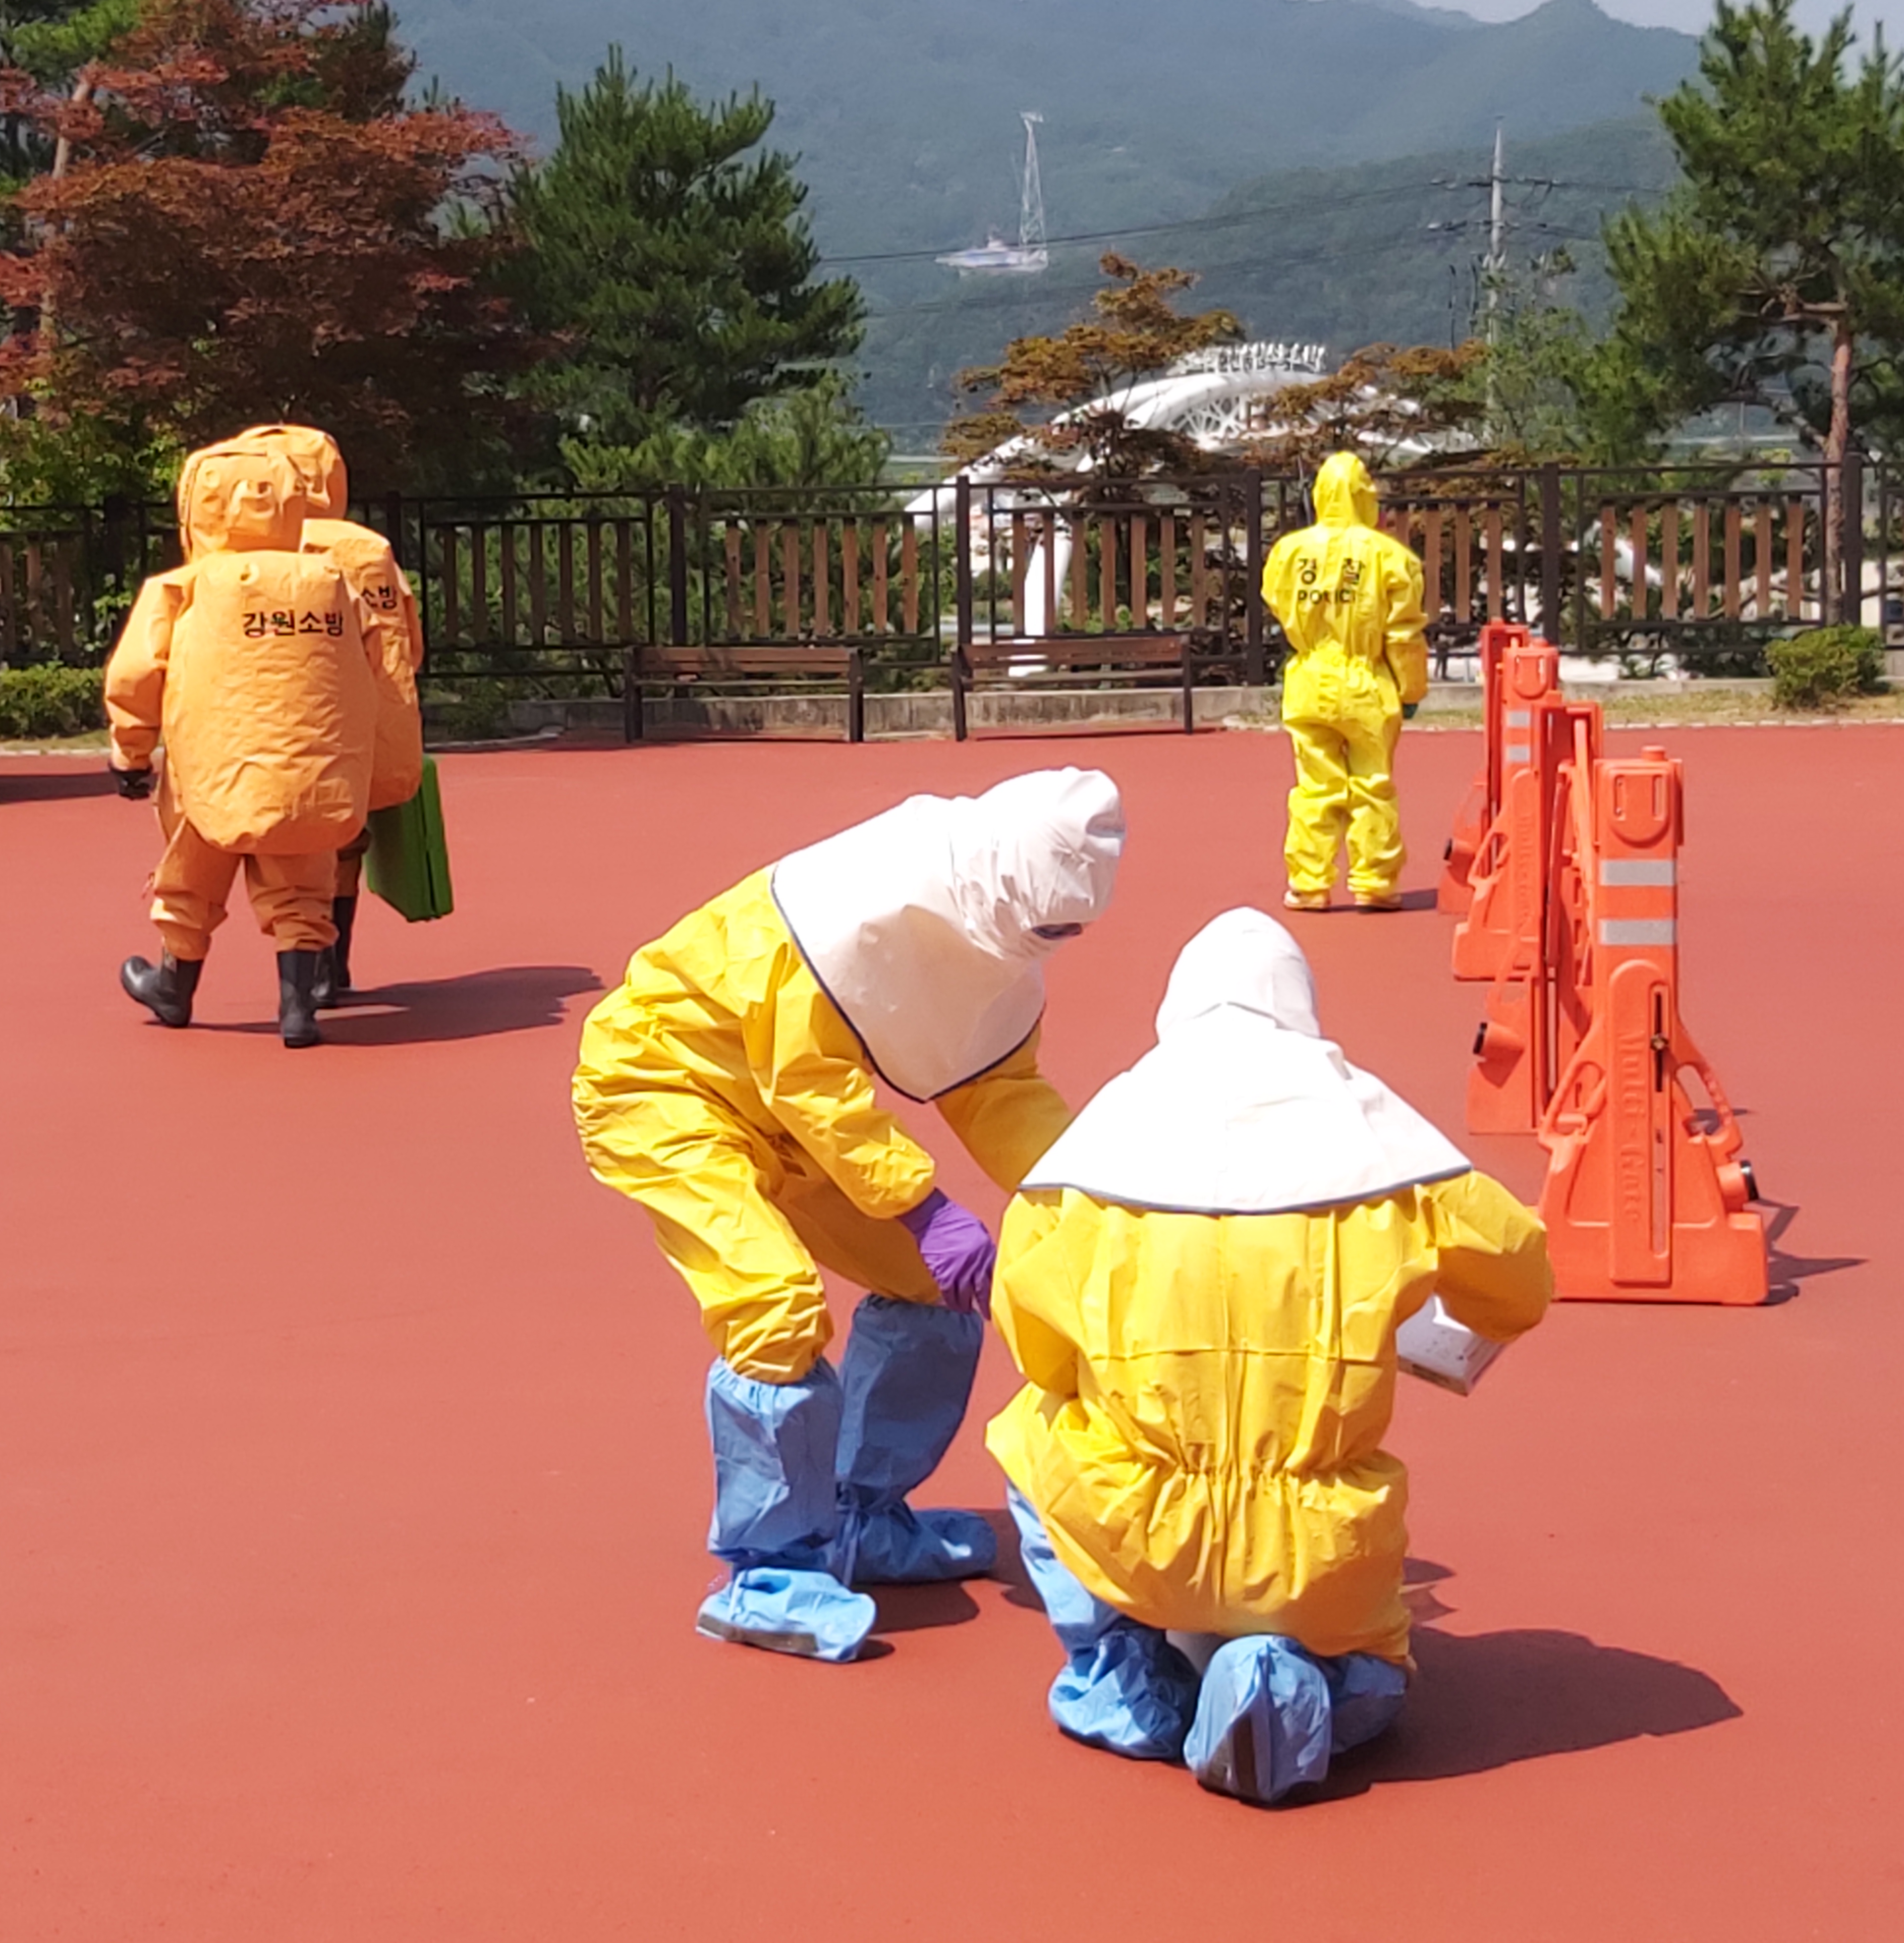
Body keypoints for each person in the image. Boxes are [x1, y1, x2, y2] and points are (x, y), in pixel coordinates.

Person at [988, 908, 1550, 1805]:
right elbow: (1520, 1280)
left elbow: (1038, 1350)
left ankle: (1121, 1678)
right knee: (1368, 1661)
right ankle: (1289, 1681)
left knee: (1028, 1428)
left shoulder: (1094, 1156)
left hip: (1141, 1527)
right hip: (1317, 1546)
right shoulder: (1380, 1145)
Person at [573, 770, 1127, 1663]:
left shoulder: (992, 925)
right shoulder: (853, 905)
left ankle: (856, 1515)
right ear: (1003, 884)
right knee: (774, 1303)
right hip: (668, 1084)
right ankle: (768, 1572)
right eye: (1046, 926)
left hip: (791, 1121)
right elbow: (808, 1079)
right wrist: (922, 1206)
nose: (1051, 944)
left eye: (1069, 933)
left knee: (929, 1291)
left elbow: (999, 1088)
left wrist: (1099, 1193)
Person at [103, 432, 388, 1050]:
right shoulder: (333, 583)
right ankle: (299, 1008)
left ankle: (174, 988)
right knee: (302, 883)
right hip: (309, 769)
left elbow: (136, 674)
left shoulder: (184, 586)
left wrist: (130, 753)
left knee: (191, 877)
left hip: (211, 769)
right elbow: (379, 667)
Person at [208, 424, 428, 1003]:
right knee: (348, 839)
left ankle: (306, 975)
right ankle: (337, 967)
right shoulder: (370, 549)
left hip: (297, 721)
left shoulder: (264, 552)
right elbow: (409, 644)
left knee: (296, 851)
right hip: (378, 723)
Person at [1262, 450, 1429, 913]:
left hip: (1309, 679)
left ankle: (1309, 884)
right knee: (1373, 785)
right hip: (1366, 683)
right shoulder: (1391, 557)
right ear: (1366, 497)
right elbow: (1404, 634)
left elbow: (1276, 598)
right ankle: (1375, 883)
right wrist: (1411, 689)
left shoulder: (1289, 552)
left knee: (1314, 789)